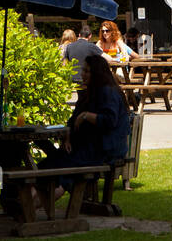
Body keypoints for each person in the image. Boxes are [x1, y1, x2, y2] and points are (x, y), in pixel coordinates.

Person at [36, 55, 132, 208]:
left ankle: (31, 208)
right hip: (86, 146)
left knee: (63, 169)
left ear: (97, 73)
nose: (83, 74)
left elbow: (109, 120)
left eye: (87, 71)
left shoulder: (108, 92)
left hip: (104, 150)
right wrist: (67, 137)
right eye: (83, 70)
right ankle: (25, 204)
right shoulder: (88, 93)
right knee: (47, 165)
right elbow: (72, 120)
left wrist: (86, 116)